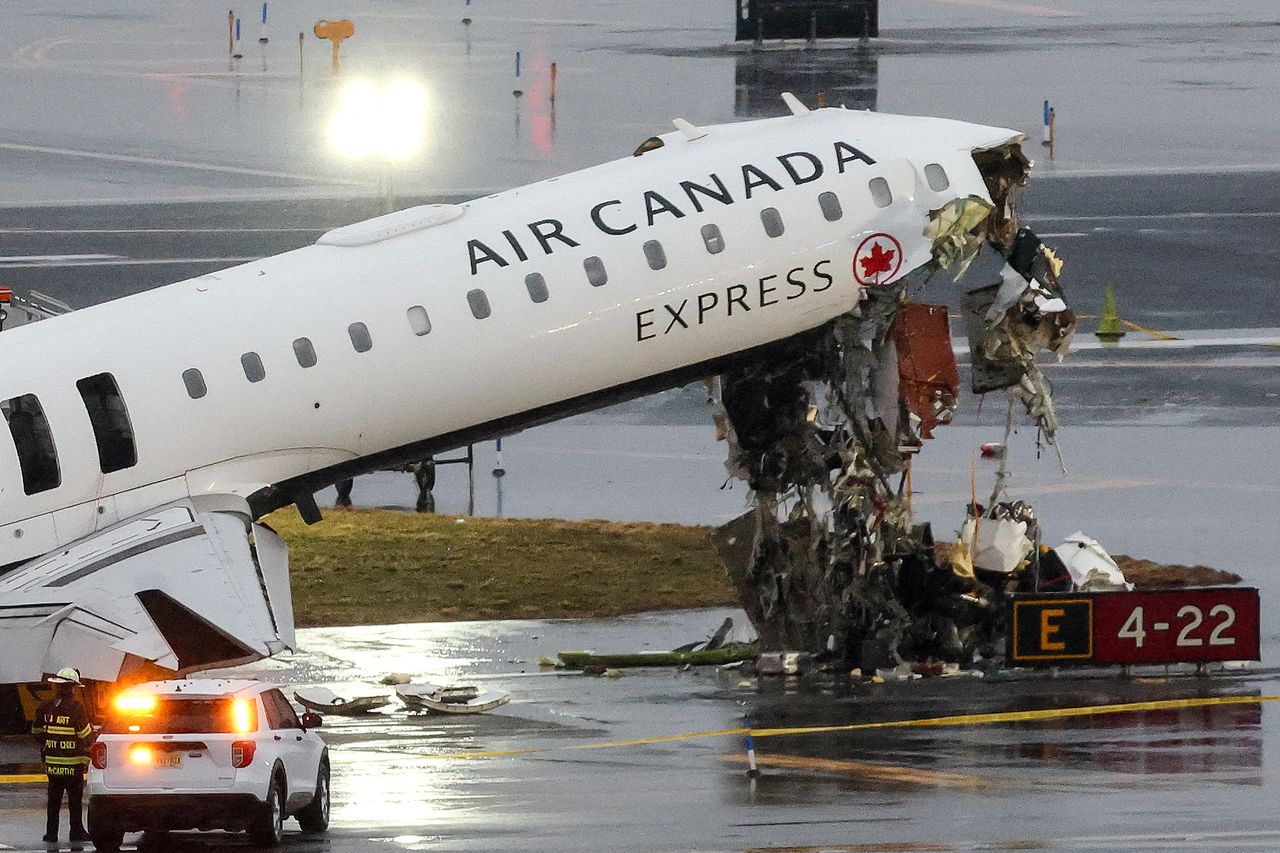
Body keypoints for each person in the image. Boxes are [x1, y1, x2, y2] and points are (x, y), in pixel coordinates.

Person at [31, 668, 94, 844]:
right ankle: (76, 832)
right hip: (73, 765)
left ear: (57, 686)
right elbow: (85, 735)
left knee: (53, 802)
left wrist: (50, 743)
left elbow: (35, 731)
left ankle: (51, 834)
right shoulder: (76, 708)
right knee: (75, 801)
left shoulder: (45, 706)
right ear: (72, 687)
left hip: (52, 764)